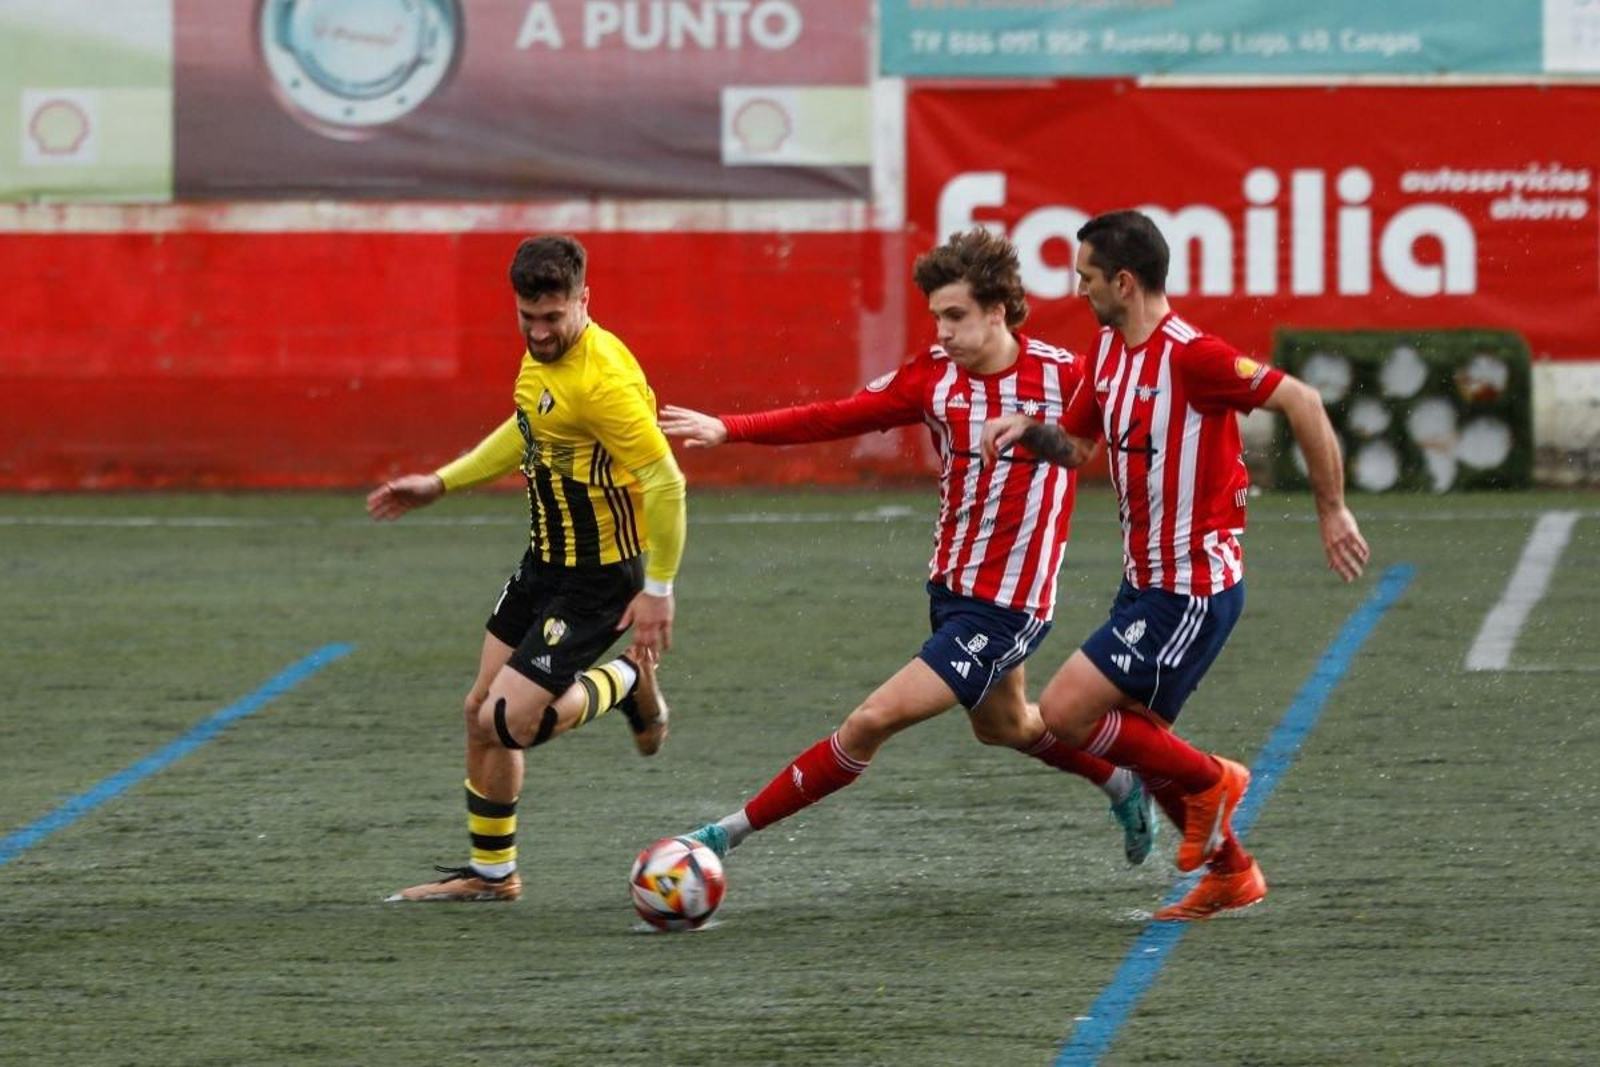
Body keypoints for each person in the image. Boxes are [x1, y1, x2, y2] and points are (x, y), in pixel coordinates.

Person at [659, 227, 1157, 871]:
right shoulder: (933, 380)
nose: (941, 332)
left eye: (955, 316)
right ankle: (1123, 781)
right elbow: (835, 416)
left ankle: (725, 835)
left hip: (1007, 608)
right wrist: (730, 428)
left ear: (997, 312)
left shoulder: (1069, 376)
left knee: (870, 722)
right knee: (1005, 726)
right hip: (950, 595)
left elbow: (1141, 426)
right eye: (936, 317)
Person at [982, 209, 1369, 920]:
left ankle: (1218, 780)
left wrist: (1331, 507)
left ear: (1123, 282)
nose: (1079, 289)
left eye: (1087, 277)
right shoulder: (1107, 354)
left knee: (1067, 712)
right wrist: (1027, 432)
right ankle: (1233, 872)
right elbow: (1078, 446)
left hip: (1191, 588)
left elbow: (1303, 401)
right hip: (1145, 585)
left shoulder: (1193, 356)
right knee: (1142, 746)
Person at [367, 234, 687, 902]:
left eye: (554, 317)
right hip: (545, 559)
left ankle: (627, 681)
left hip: (601, 575)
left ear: (584, 301)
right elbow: (528, 428)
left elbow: (665, 480)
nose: (540, 333)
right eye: (527, 318)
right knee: (476, 710)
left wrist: (658, 589)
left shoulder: (604, 382)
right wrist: (444, 482)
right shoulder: (543, 359)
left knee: (507, 721)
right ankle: (493, 875)